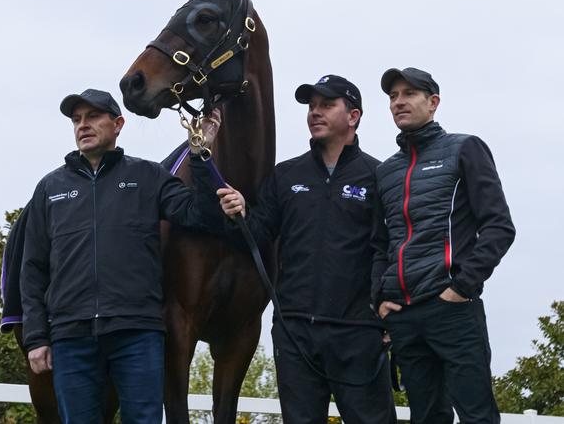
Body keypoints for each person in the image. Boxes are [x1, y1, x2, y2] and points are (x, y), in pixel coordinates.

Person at [20, 88, 222, 423]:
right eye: (77, 120)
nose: (83, 125)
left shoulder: (149, 177)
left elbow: (200, 215)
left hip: (137, 334)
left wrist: (200, 156)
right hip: (71, 337)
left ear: (118, 124)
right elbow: (33, 268)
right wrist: (37, 337)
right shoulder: (50, 188)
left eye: (93, 117)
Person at [218, 75, 396, 424]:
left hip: (358, 332)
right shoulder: (285, 175)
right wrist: (238, 213)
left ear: (353, 115)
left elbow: (387, 249)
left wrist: (386, 311)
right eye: (311, 106)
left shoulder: (379, 175)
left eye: (327, 105)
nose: (315, 113)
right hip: (295, 332)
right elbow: (258, 234)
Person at [372, 67, 516, 424]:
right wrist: (379, 297)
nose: (399, 102)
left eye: (409, 94)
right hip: (404, 315)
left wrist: (462, 287)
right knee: (427, 418)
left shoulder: (465, 148)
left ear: (433, 102)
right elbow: (379, 244)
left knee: (477, 415)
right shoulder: (386, 172)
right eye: (393, 96)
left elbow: (499, 226)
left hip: (452, 308)